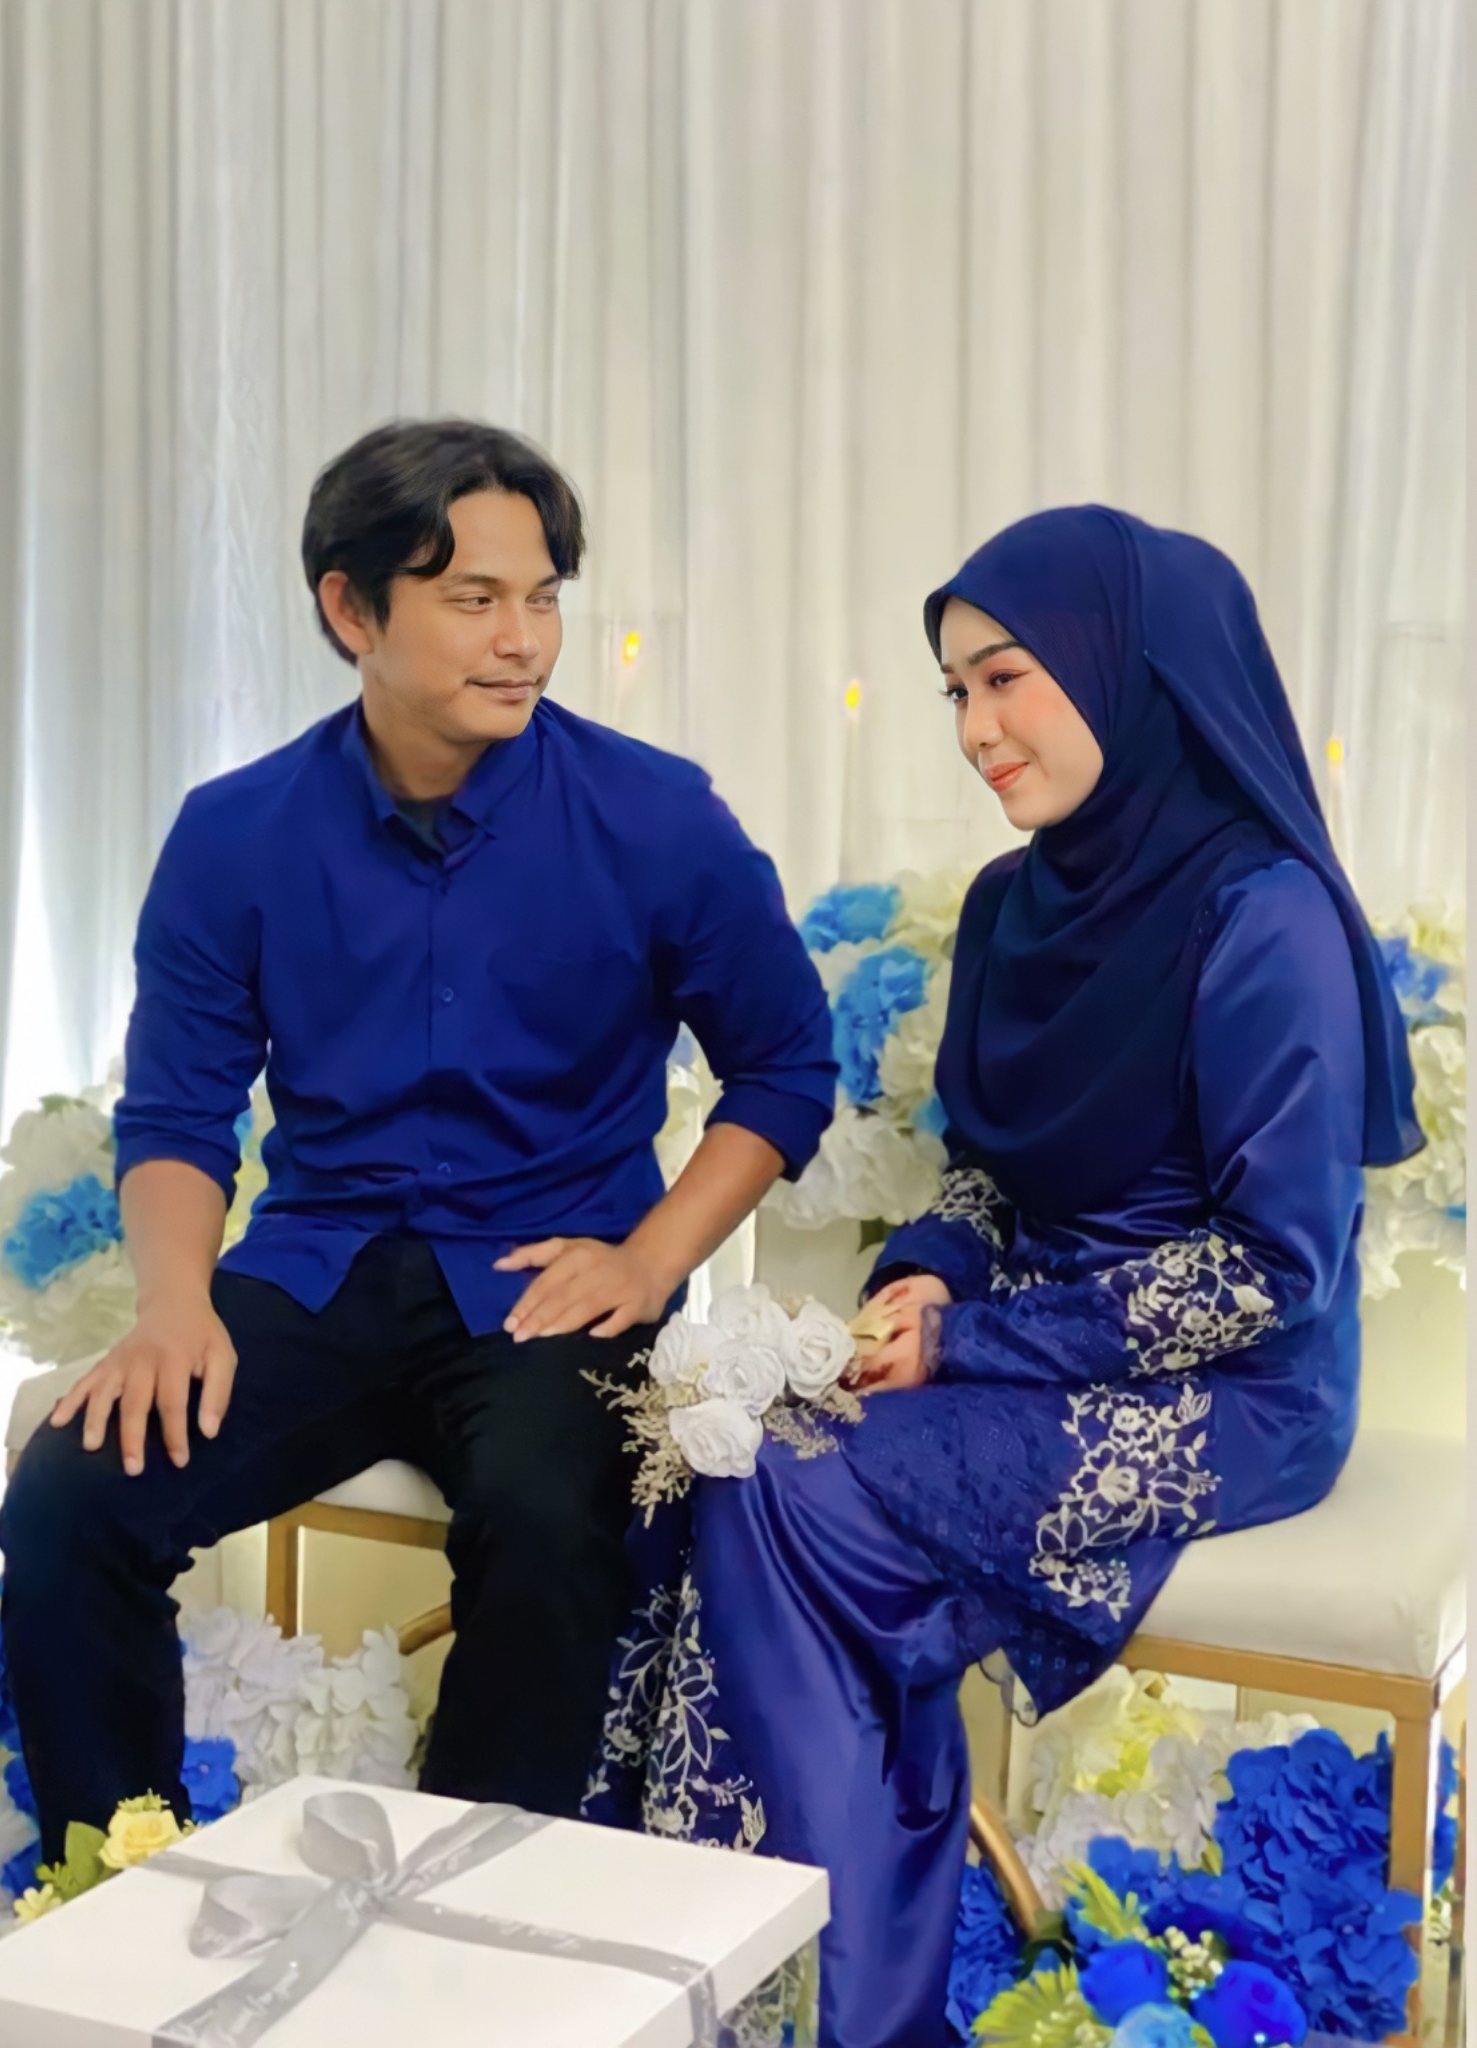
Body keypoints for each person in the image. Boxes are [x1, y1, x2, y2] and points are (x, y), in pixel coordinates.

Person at [584, 507, 1421, 2048]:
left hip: (1227, 1386)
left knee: (790, 1493)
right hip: (1014, 1342)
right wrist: (922, 1277)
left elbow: (1272, 1273)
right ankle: (739, 1965)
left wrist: (964, 1343)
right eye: (955, 691)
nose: (974, 729)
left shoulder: (1264, 918)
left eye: (1004, 679)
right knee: (701, 1462)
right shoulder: (1009, 905)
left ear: (1120, 668)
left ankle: (819, 1998)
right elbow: (985, 1167)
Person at [0, 418, 836, 1863]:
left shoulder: (658, 820)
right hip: (316, 1273)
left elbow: (785, 1067)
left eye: (543, 597)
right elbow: (181, 1111)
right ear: (351, 610)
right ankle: (112, 1883)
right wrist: (175, 1305)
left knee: (546, 1526)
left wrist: (648, 1261)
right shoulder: (235, 834)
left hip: (549, 1280)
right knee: (74, 1495)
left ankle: (460, 1926)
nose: (523, 640)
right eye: (473, 598)